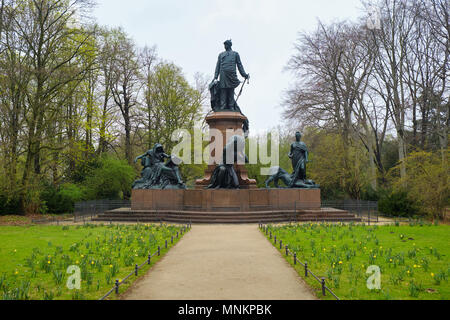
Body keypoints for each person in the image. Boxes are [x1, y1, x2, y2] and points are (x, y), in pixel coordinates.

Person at [214, 40, 249, 111]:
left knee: (231, 90)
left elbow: (239, 65)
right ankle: (222, 107)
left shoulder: (235, 54)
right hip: (223, 74)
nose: (224, 46)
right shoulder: (221, 55)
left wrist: (244, 75)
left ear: (229, 45)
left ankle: (231, 107)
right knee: (223, 90)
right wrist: (215, 77)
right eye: (224, 45)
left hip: (232, 75)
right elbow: (217, 67)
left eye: (226, 45)